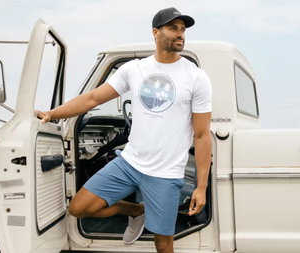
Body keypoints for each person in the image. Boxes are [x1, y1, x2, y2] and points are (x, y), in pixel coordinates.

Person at [35, 7, 212, 253]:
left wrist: (201, 187)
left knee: (163, 245)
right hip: (129, 163)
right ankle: (134, 210)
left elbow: (202, 135)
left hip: (165, 173)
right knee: (78, 208)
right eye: (173, 28)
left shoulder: (196, 77)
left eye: (182, 30)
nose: (180, 34)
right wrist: (53, 113)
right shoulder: (134, 69)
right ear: (155, 32)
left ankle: (141, 213)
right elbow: (93, 99)